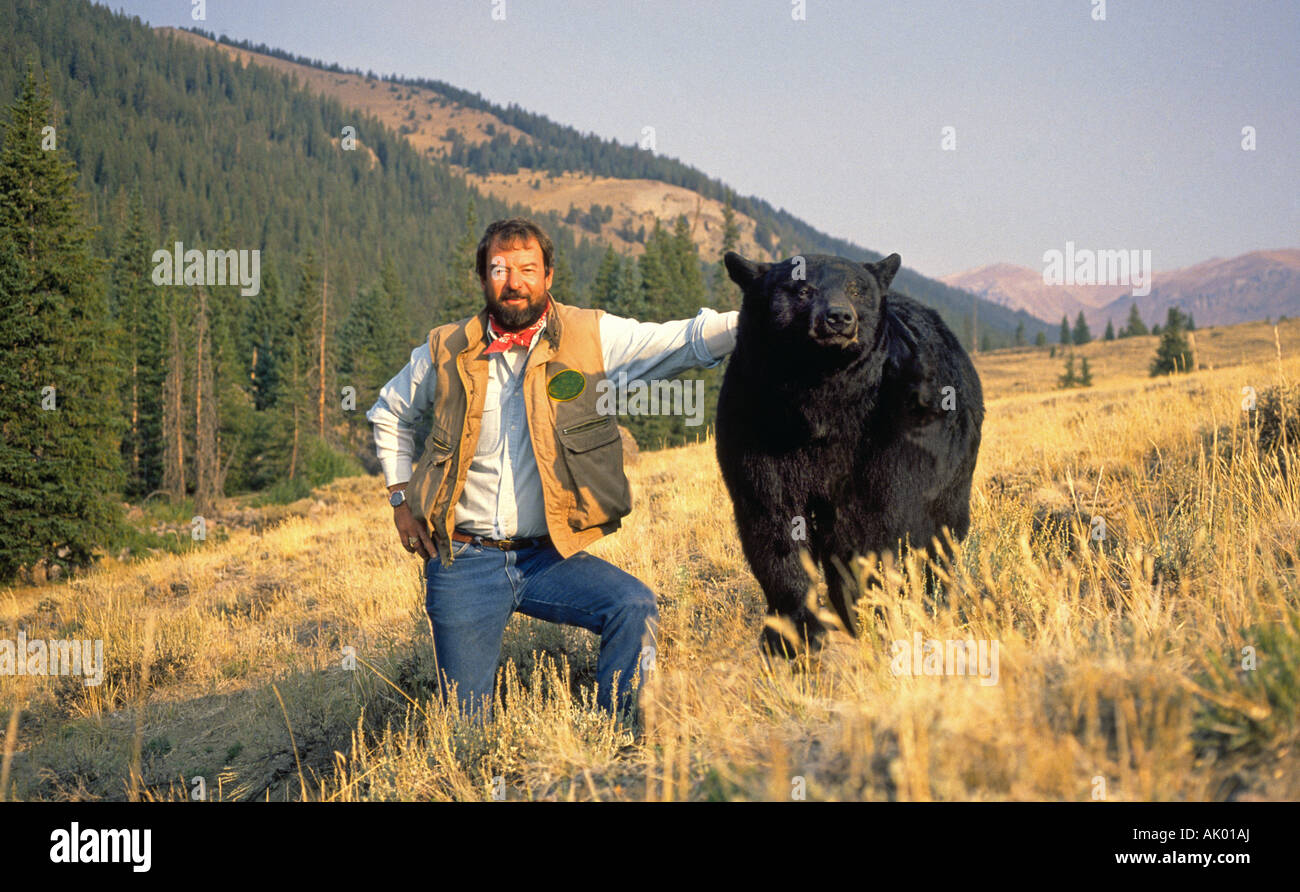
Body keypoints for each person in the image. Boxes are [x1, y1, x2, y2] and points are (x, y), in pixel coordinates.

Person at [366, 217, 738, 722]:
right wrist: (399, 498)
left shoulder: (591, 337)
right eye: (500, 270)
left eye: (528, 269)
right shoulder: (447, 347)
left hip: (548, 557)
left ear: (549, 276)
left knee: (632, 606)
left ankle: (613, 739)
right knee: (466, 727)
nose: (514, 282)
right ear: (483, 279)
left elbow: (682, 340)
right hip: (464, 562)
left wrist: (759, 317)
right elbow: (390, 411)